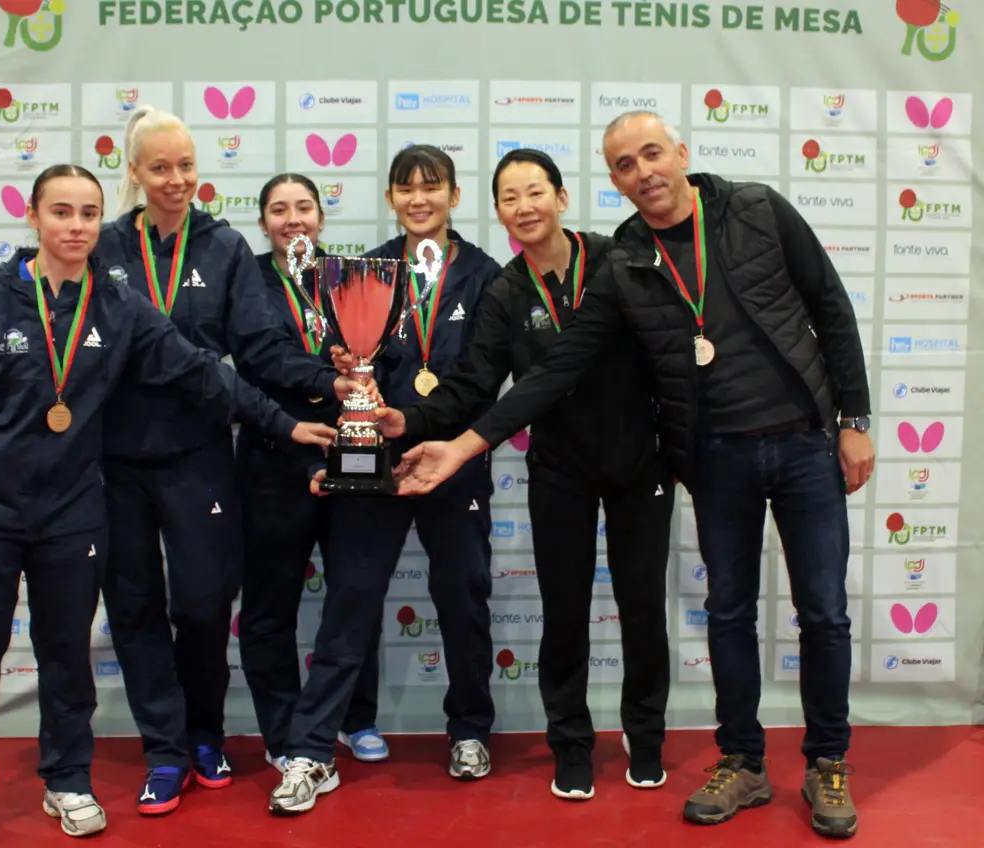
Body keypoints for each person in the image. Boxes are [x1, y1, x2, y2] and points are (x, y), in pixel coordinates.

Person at [390, 111, 874, 839]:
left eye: (652, 154)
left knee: (818, 613)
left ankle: (814, 760)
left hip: (766, 447)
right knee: (725, 613)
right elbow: (550, 370)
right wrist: (451, 441)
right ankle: (727, 758)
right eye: (625, 163)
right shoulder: (576, 273)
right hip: (669, 461)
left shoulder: (706, 227)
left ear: (678, 153)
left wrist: (856, 420)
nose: (642, 171)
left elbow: (830, 307)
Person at [0, 164, 336, 848]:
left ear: (100, 222)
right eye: (62, 213)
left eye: (88, 213)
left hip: (71, 511)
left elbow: (201, 370)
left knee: (66, 653)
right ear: (33, 219)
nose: (77, 226)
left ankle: (67, 780)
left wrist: (287, 423)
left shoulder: (117, 305)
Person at [373, 147, 674, 800]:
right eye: (509, 198)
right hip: (560, 469)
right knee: (564, 611)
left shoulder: (618, 263)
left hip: (638, 465)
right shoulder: (505, 291)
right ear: (498, 211)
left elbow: (667, 353)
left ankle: (645, 735)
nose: (524, 207)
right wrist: (408, 421)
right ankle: (570, 741)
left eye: (535, 192)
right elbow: (475, 385)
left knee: (642, 605)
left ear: (561, 199)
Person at [92, 106, 363, 815]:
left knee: (207, 605)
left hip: (201, 453)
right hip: (116, 459)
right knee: (134, 604)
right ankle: (165, 749)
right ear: (136, 172)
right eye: (160, 167)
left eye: (185, 166)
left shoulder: (223, 248)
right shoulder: (107, 246)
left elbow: (261, 347)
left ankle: (205, 732)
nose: (176, 180)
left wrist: (324, 384)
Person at [268, 145, 501, 815]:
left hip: (451, 458)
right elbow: (335, 362)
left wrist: (418, 421)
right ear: (392, 196)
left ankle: (470, 729)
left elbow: (482, 379)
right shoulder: (363, 273)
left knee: (463, 593)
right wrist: (343, 359)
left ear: (455, 197)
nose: (419, 199)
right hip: (373, 460)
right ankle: (314, 751)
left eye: (432, 188)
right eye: (406, 188)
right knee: (352, 598)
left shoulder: (485, 275)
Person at [237, 173, 385, 773]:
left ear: (322, 218)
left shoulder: (353, 278)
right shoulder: (245, 277)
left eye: (303, 207)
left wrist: (359, 369)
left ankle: (357, 716)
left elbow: (379, 355)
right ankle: (281, 730)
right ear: (264, 221)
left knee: (354, 594)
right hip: (275, 455)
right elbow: (256, 355)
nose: (292, 219)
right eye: (278, 209)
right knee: (270, 605)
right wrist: (328, 376)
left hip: (350, 453)